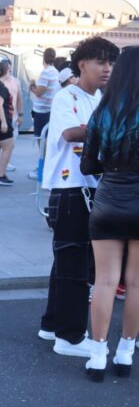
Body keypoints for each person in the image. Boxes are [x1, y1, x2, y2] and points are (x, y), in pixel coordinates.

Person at [39, 37, 120, 356]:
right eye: (101, 62)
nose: (107, 69)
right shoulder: (66, 96)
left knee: (66, 263)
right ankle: (69, 337)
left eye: (111, 63)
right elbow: (71, 133)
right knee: (74, 264)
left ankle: (51, 325)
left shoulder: (101, 97)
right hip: (71, 190)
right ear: (82, 63)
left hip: (91, 188)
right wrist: (116, 125)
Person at [79, 47, 139, 379]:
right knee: (136, 283)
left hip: (109, 198)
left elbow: (88, 163)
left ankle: (97, 355)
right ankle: (126, 354)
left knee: (104, 281)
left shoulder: (103, 109)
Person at [0, 60, 22, 172]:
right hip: (1, 116)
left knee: (12, 142)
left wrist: (20, 114)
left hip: (13, 116)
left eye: (10, 67)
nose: (9, 69)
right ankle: (0, 164)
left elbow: (19, 99)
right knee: (0, 142)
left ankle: (6, 162)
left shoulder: (16, 81)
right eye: (7, 67)